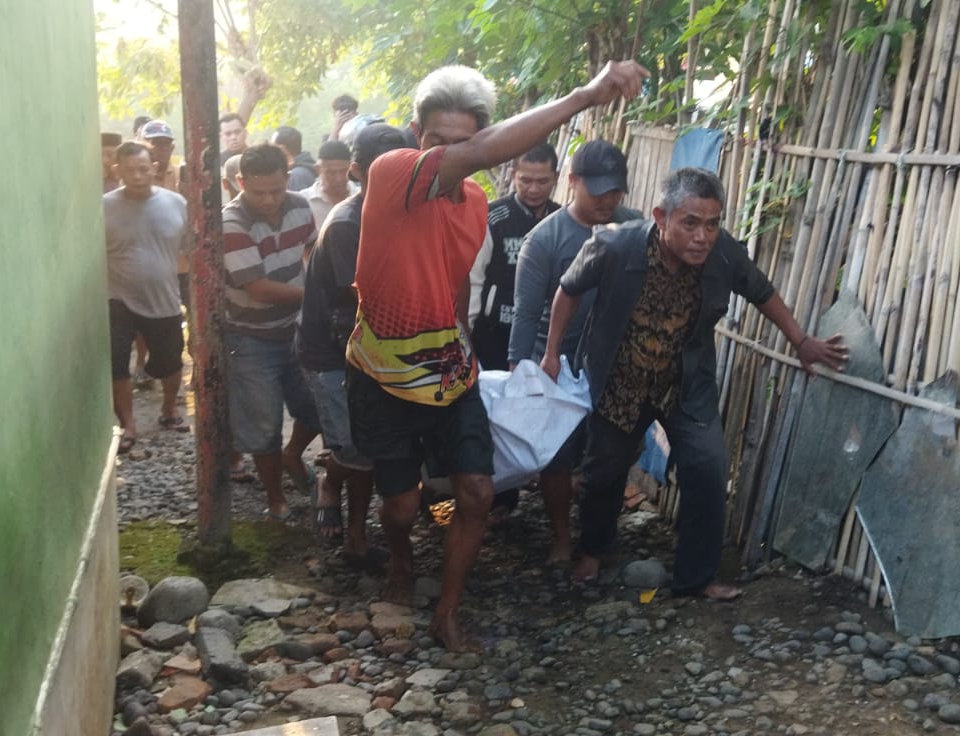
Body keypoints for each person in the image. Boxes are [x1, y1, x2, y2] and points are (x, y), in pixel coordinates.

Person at [344, 60, 647, 651]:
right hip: (380, 376)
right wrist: (584, 95)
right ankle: (401, 557)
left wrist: (464, 348)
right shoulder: (391, 173)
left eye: (465, 142)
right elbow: (478, 154)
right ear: (416, 135)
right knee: (402, 508)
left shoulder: (474, 202)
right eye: (439, 141)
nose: (453, 155)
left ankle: (448, 613)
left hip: (450, 373)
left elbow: (456, 279)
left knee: (478, 493)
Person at [540, 167, 849, 598]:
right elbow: (568, 290)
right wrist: (551, 353)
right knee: (604, 468)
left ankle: (697, 577)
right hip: (621, 379)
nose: (702, 236)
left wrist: (801, 341)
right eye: (690, 223)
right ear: (661, 217)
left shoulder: (725, 255)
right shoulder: (614, 246)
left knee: (707, 466)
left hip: (685, 382)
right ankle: (592, 549)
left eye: (712, 224)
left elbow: (762, 292)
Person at [505, 138, 643, 563]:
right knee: (558, 457)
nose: (607, 200)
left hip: (617, 360)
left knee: (614, 450)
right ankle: (562, 537)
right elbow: (526, 313)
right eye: (596, 190)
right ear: (573, 182)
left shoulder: (634, 227)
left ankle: (597, 539)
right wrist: (521, 371)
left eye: (615, 191)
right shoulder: (543, 241)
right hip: (557, 362)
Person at [295, 123, 414, 555]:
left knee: (370, 446)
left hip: (374, 348)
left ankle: (357, 538)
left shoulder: (404, 215)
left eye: (403, 168)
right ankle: (329, 483)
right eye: (382, 170)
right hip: (332, 352)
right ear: (358, 171)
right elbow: (364, 297)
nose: (395, 178)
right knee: (356, 448)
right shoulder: (348, 223)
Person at [222, 144, 321, 519]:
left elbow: (313, 250)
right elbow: (259, 290)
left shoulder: (300, 206)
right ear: (240, 182)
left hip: (296, 330)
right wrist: (318, 295)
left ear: (288, 178)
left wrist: (315, 283)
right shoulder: (231, 223)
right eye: (258, 191)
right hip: (249, 338)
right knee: (264, 426)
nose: (268, 200)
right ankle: (275, 497)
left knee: (317, 407)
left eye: (276, 190)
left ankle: (292, 455)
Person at [104, 142, 191, 454]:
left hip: (163, 298)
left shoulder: (176, 203)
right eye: (130, 170)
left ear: (154, 168)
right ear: (118, 171)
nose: (138, 176)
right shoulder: (103, 207)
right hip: (118, 299)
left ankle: (169, 409)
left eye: (143, 169)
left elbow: (191, 248)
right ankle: (127, 425)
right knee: (116, 361)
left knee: (170, 360)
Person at [466, 143, 558, 372]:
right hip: (492, 336)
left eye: (542, 181)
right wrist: (466, 338)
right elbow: (473, 280)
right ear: (512, 174)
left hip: (543, 340)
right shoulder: (492, 218)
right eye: (525, 180)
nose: (534, 189)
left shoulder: (561, 222)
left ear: (556, 178)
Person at [300, 139, 356, 227]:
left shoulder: (362, 196)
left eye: (344, 171)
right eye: (331, 173)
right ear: (318, 169)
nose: (339, 179)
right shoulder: (304, 202)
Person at [271, 126, 318, 191]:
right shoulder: (299, 171)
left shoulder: (296, 176)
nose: (270, 150)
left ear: (282, 149)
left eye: (272, 146)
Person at [140, 120, 181, 190]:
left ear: (172, 148)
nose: (163, 148)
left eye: (167, 143)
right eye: (157, 142)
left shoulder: (180, 175)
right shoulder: (135, 176)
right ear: (144, 146)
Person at [220, 112, 248, 199]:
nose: (233, 137)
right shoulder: (216, 163)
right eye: (228, 134)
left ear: (245, 132)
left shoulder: (258, 158)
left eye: (237, 132)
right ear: (221, 136)